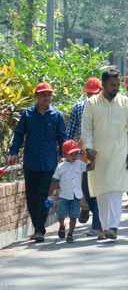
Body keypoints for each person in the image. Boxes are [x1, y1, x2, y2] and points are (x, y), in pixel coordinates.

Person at [82, 69, 128, 241]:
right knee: (102, 192)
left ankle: (113, 227)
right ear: (103, 84)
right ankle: (105, 228)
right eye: (112, 85)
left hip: (120, 153)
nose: (116, 88)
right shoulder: (91, 103)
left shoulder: (126, 102)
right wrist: (88, 149)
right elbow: (86, 129)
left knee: (115, 190)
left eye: (118, 84)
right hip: (98, 156)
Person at [9, 82, 67, 242]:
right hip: (31, 162)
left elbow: (62, 137)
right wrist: (13, 152)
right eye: (43, 94)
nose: (46, 97)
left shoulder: (57, 115)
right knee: (32, 197)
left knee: (45, 195)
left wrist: (64, 154)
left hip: (49, 163)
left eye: (49, 94)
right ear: (36, 96)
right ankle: (37, 226)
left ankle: (40, 229)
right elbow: (19, 134)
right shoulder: (28, 115)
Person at [66, 77, 103, 236]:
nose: (91, 97)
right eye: (89, 93)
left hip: (102, 153)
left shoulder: (105, 108)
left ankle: (97, 223)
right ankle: (87, 207)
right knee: (87, 189)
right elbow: (70, 132)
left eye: (94, 93)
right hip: (84, 154)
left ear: (101, 91)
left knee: (99, 189)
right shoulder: (79, 107)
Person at [47, 140, 96, 243]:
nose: (74, 156)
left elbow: (91, 168)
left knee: (73, 216)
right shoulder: (60, 167)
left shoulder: (79, 164)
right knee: (61, 215)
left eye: (76, 154)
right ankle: (62, 225)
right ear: (64, 154)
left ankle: (70, 234)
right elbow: (54, 181)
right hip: (64, 195)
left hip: (76, 195)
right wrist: (49, 195)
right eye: (71, 154)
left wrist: (93, 159)